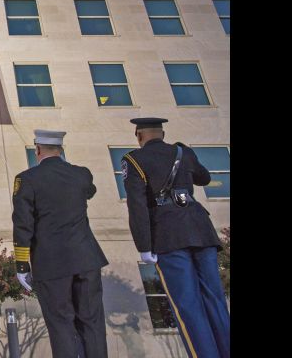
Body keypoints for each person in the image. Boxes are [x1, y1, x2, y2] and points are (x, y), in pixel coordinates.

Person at [122, 117, 229, 358]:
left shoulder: (134, 159)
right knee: (215, 300)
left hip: (168, 235)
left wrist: (144, 245)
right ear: (162, 133)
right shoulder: (183, 152)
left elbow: (137, 204)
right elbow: (204, 178)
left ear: (139, 136)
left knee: (188, 305)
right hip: (201, 230)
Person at [12, 129, 109, 358]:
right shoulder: (81, 174)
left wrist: (22, 264)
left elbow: (23, 224)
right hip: (86, 258)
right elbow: (90, 191)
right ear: (61, 150)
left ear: (37, 150)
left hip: (51, 263)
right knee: (92, 322)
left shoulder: (26, 180)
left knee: (61, 325)